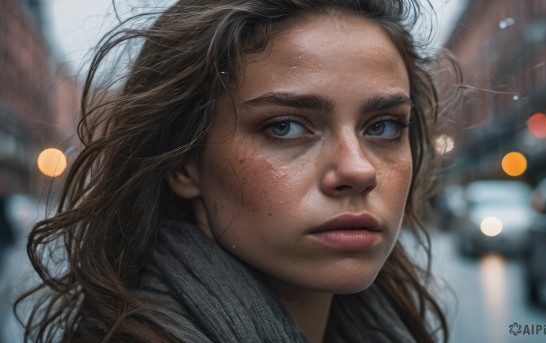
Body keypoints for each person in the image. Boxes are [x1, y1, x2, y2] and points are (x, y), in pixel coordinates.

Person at [17, 0, 461, 342]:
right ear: (183, 163)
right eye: (285, 127)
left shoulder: (386, 325)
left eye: (383, 126)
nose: (358, 169)